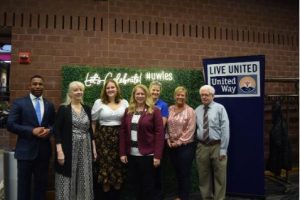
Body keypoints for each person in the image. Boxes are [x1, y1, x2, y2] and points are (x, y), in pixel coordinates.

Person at [7, 75, 55, 200]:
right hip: (25, 152)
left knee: (41, 186)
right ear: (30, 86)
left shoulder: (49, 105)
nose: (37, 86)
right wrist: (31, 131)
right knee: (24, 187)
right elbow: (11, 124)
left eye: (40, 84)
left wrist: (49, 130)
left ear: (43, 86)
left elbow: (54, 125)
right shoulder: (19, 103)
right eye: (35, 84)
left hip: (44, 152)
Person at [119, 84, 164, 200]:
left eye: (142, 94)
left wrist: (157, 156)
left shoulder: (154, 110)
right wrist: (122, 152)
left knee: (148, 186)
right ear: (134, 95)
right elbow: (123, 132)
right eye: (137, 93)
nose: (139, 96)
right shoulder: (128, 111)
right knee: (134, 185)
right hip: (132, 155)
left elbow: (159, 134)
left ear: (146, 95)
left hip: (148, 155)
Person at [54, 81, 97, 200]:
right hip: (68, 148)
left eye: (81, 90)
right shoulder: (63, 109)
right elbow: (56, 131)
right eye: (75, 90)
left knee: (84, 176)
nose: (79, 92)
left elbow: (90, 130)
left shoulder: (87, 108)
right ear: (70, 93)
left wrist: (94, 149)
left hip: (85, 147)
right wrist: (59, 151)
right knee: (67, 176)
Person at [91, 79, 128, 200]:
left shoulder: (124, 103)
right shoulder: (99, 102)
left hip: (120, 139)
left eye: (113, 87)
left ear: (117, 89)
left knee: (118, 170)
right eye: (108, 88)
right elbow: (93, 124)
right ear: (105, 90)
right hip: (103, 139)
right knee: (105, 170)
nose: (110, 89)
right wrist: (94, 144)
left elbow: (128, 122)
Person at [195, 85, 230, 200]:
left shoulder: (220, 108)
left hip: (217, 146)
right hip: (202, 146)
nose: (204, 97)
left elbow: (225, 129)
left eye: (207, 95)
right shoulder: (197, 110)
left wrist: (223, 149)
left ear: (212, 96)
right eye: (202, 95)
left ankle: (219, 198)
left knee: (220, 176)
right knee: (203, 176)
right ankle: (206, 198)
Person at [167, 86, 196, 200]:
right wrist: (168, 139)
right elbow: (165, 126)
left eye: (182, 95)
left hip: (185, 147)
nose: (180, 97)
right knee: (177, 172)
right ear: (175, 96)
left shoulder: (190, 111)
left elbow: (190, 130)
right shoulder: (170, 109)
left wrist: (178, 143)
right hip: (171, 145)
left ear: (186, 97)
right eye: (178, 95)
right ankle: (179, 195)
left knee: (184, 173)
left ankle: (183, 197)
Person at [149, 81, 169, 200]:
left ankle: (159, 196)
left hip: (158, 142)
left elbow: (162, 125)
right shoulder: (145, 103)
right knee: (148, 171)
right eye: (153, 89)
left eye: (157, 90)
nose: (155, 92)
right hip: (146, 142)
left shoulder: (163, 105)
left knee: (158, 170)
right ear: (149, 90)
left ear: (160, 92)